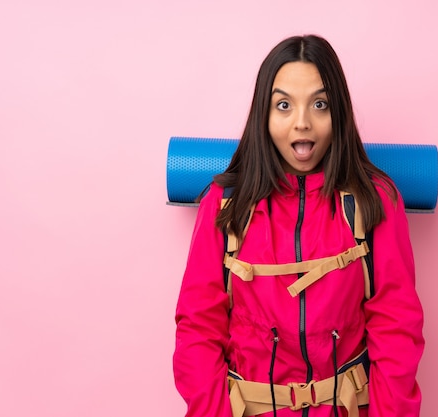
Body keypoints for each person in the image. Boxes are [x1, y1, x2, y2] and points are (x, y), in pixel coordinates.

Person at [173, 34, 424, 417]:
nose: (302, 123)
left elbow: (397, 331)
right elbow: (198, 330)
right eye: (284, 105)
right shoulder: (225, 205)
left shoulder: (376, 201)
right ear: (264, 113)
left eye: (320, 104)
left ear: (338, 112)